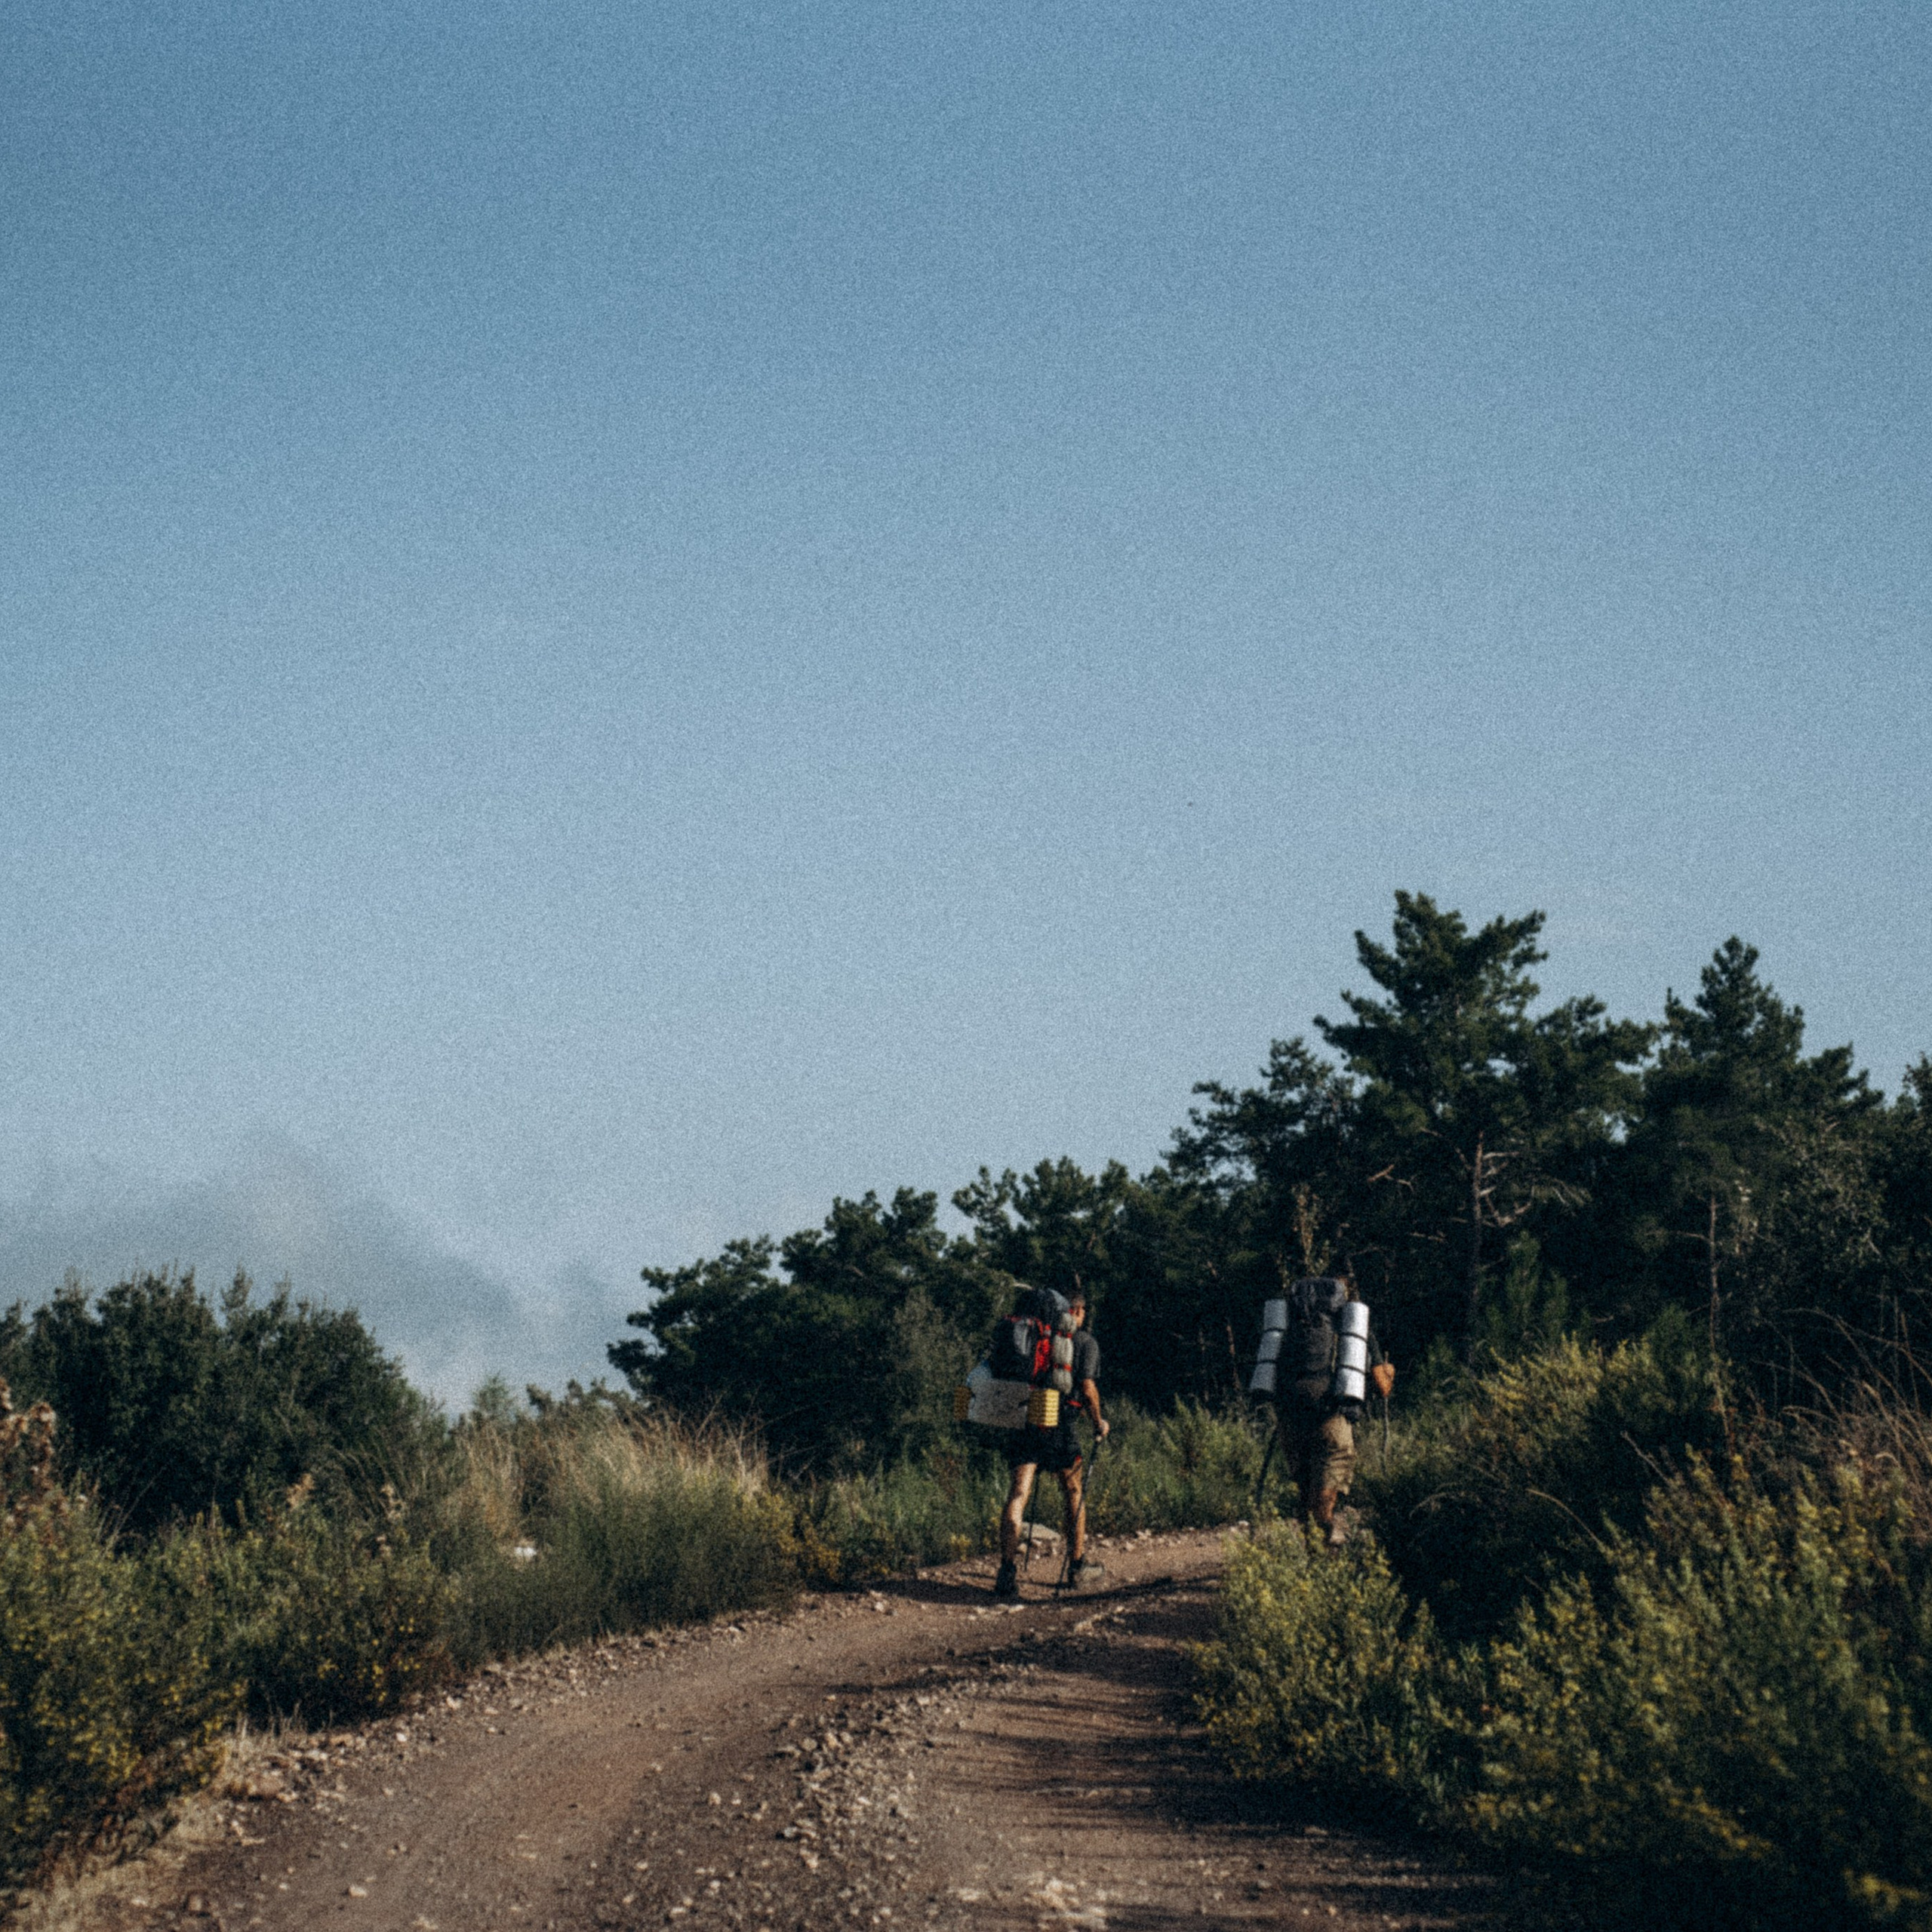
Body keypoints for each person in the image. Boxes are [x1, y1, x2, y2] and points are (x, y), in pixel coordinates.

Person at [993, 1289, 1109, 1598]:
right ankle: (1077, 1566)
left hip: (1025, 1418)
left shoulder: (1033, 1335)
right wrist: (1099, 1423)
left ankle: (1006, 1572)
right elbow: (1087, 1388)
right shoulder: (1084, 1342)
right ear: (1078, 1312)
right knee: (1073, 1491)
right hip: (1060, 1425)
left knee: (1018, 1493)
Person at [1273, 1274, 1392, 1548]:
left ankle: (1311, 1554)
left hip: (1291, 1419)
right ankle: (1322, 1556)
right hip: (1330, 1420)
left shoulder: (1292, 1321)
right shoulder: (1353, 1326)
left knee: (1306, 1495)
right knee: (1324, 1502)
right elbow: (1382, 1387)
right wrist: (1389, 1371)